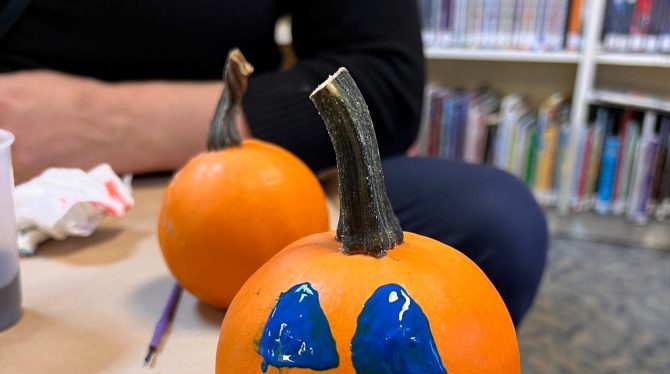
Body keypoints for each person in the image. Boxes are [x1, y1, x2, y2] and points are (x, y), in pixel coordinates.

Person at [0, 0, 547, 327]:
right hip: (18, 194)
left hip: (243, 164)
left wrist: (110, 124)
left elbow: (386, 80)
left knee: (493, 218)